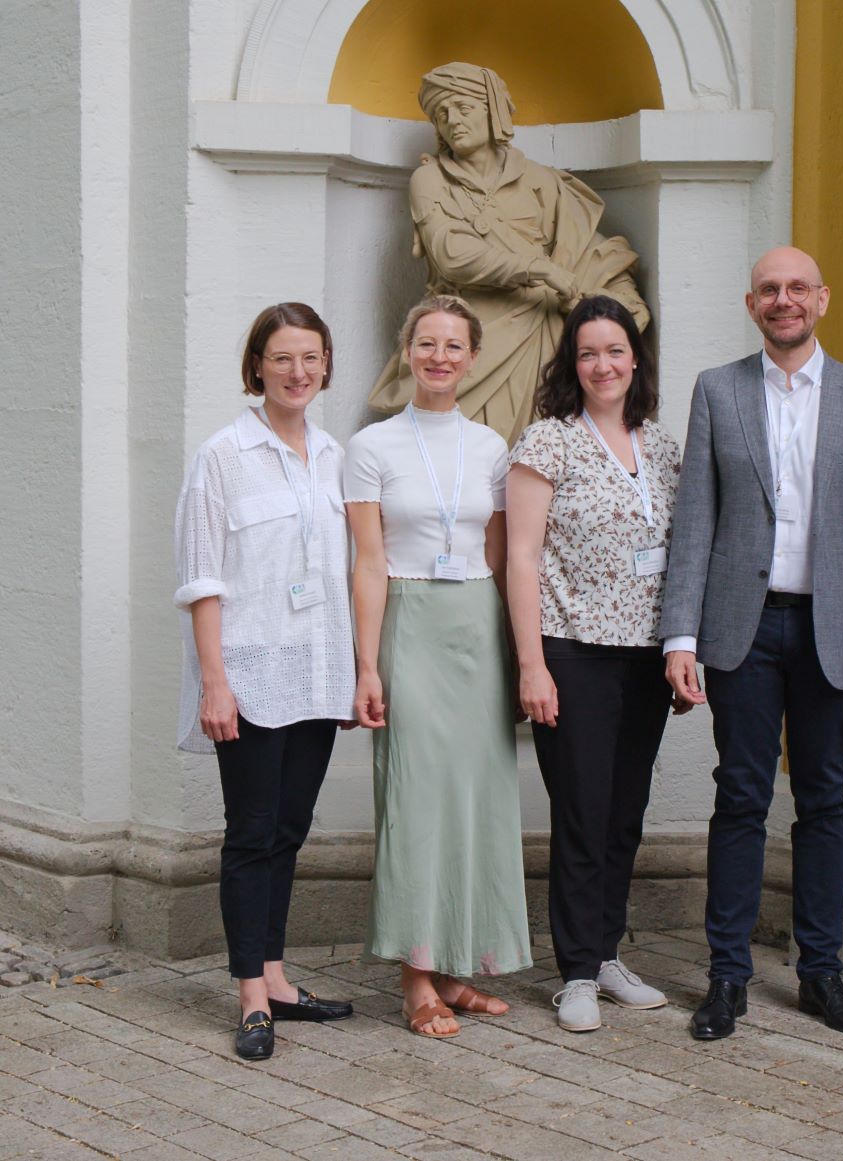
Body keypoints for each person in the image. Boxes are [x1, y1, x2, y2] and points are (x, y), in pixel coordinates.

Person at [661, 246, 843, 1041]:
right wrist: (680, 633)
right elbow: (695, 520)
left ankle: (820, 972)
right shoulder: (717, 390)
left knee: (823, 798)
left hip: (832, 630)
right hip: (743, 625)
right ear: (750, 302)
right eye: (769, 288)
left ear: (822, 299)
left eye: (798, 286)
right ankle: (726, 976)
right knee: (739, 795)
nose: (783, 299)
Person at [174, 302, 357, 1060]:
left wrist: (350, 674)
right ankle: (251, 996)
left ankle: (278, 977)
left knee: (289, 828)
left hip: (315, 671)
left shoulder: (334, 455)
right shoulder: (223, 455)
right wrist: (215, 682)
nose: (298, 371)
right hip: (248, 672)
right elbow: (201, 578)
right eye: (282, 357)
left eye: (311, 357)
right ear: (256, 367)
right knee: (250, 834)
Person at [346, 294, 532, 1039]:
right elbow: (365, 563)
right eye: (427, 343)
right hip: (410, 623)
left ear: (473, 357)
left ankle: (456, 969)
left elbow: (498, 553)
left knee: (476, 798)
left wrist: (515, 653)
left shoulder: (491, 446)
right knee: (416, 800)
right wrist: (367, 664)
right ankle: (415, 978)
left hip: (474, 626)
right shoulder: (372, 446)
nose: (440, 357)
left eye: (454, 346)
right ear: (406, 350)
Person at [506, 295, 687, 1033]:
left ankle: (607, 951)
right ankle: (575, 970)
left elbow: (684, 552)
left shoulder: (663, 446)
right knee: (580, 813)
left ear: (634, 358)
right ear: (570, 364)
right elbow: (519, 556)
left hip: (645, 656)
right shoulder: (547, 442)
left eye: (613, 350)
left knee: (623, 814)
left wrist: (682, 648)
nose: (601, 365)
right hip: (571, 652)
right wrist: (531, 664)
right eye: (587, 353)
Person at [368, 63, 648, 445]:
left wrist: (619, 297)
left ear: (493, 111)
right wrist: (538, 269)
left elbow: (587, 248)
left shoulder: (541, 181)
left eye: (464, 108)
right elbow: (452, 253)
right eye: (442, 114)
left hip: (542, 336)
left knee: (539, 452)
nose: (453, 121)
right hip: (472, 341)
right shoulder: (430, 180)